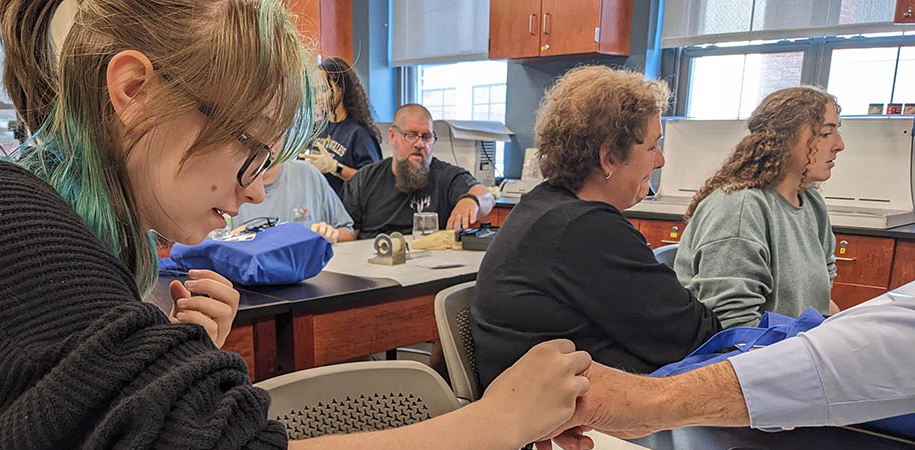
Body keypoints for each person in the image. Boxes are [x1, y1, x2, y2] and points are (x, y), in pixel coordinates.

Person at [0, 1, 594, 450]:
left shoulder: (85, 243)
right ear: (134, 91)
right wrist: (505, 416)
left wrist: (163, 380)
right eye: (249, 152)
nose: (257, 188)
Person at [471, 66, 721, 393]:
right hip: (564, 423)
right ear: (608, 158)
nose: (659, 161)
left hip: (544, 406)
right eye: (651, 147)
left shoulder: (544, 207)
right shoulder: (583, 229)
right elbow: (697, 339)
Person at [553, 299, 915, 446]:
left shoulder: (813, 208)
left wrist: (654, 399)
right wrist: (656, 399)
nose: (839, 144)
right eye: (826, 131)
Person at [675, 87, 846, 328]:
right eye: (826, 134)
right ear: (786, 138)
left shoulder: (812, 203)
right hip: (750, 356)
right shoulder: (740, 208)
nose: (839, 145)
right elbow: (733, 325)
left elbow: (821, 296)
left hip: (791, 347)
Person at [341, 103, 495, 238]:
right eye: (411, 135)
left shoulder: (445, 177)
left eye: (426, 137)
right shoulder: (364, 181)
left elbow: (486, 196)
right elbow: (348, 234)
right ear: (393, 136)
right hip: (374, 264)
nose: (420, 144)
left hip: (430, 265)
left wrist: (471, 200)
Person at [301, 57, 383, 197]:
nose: (318, 97)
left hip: (345, 211)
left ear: (340, 88)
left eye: (323, 89)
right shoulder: (316, 129)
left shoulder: (360, 134)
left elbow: (373, 182)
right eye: (315, 91)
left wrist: (335, 168)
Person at [230, 159, 355, 244]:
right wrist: (231, 240)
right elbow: (215, 243)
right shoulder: (226, 184)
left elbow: (348, 231)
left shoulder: (307, 174)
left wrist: (331, 235)